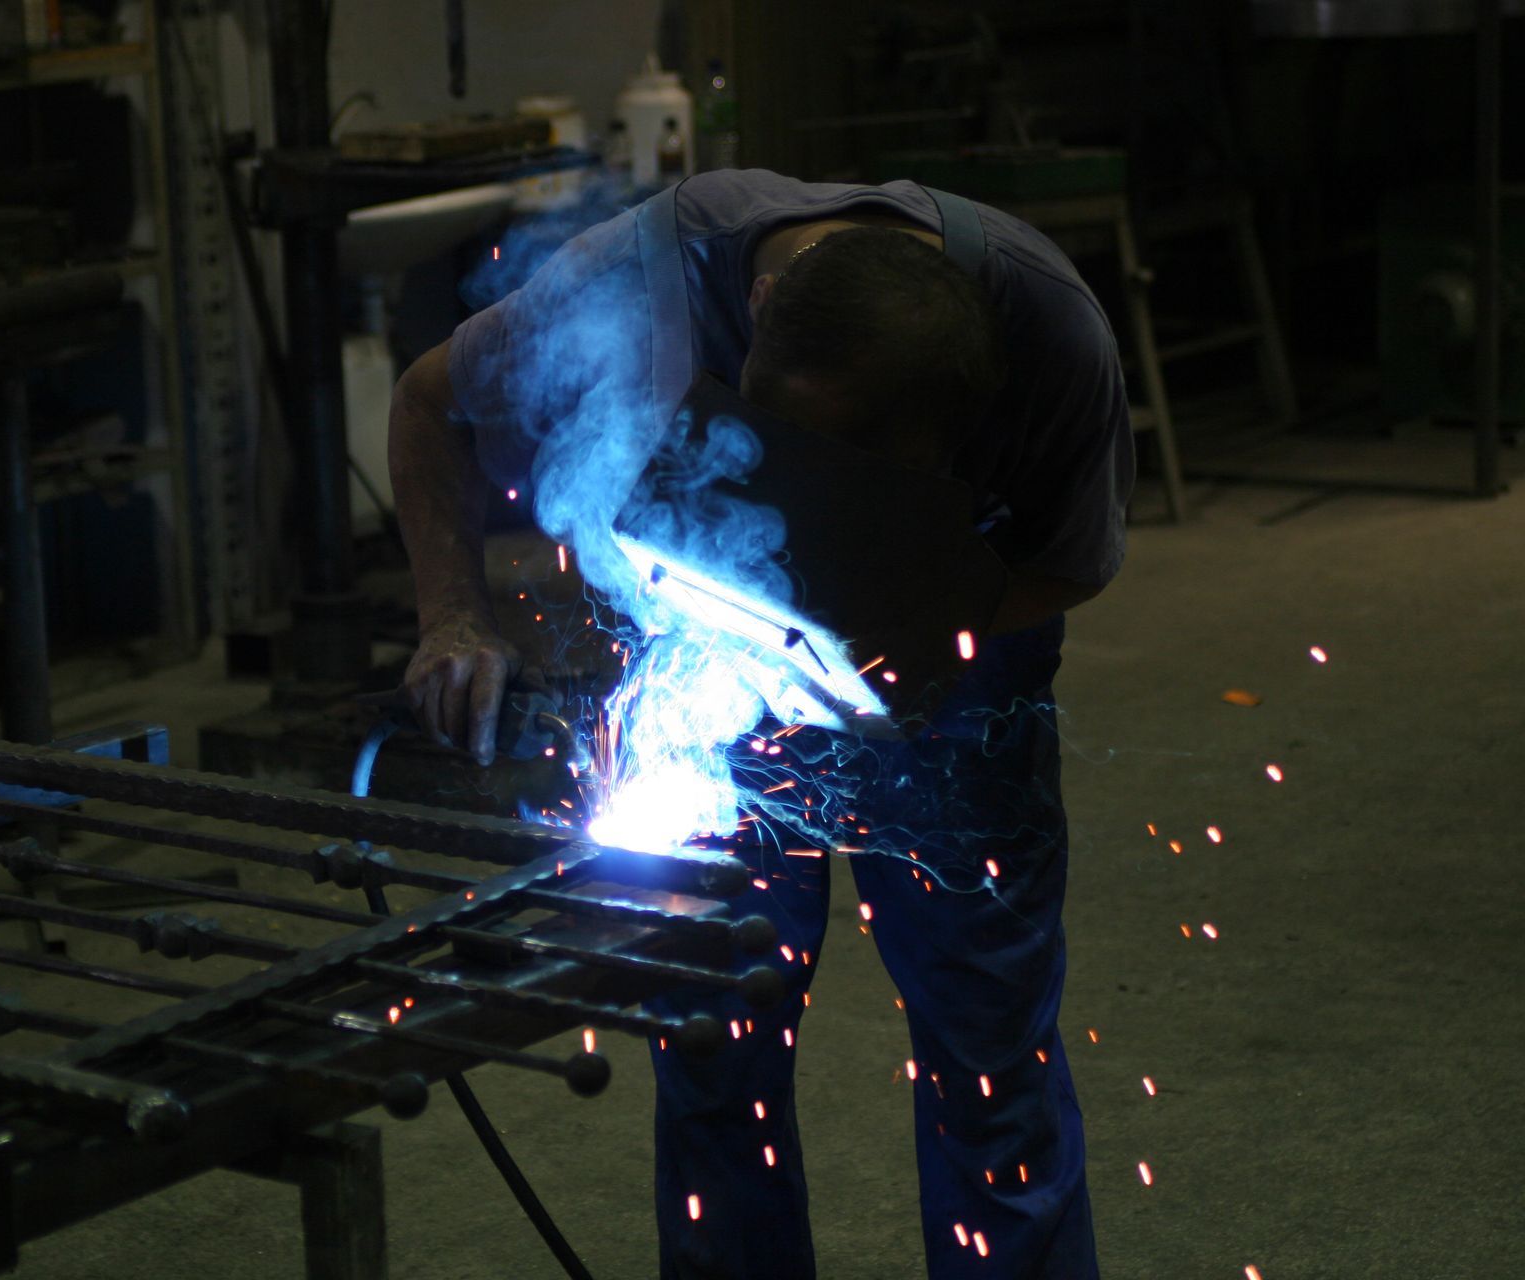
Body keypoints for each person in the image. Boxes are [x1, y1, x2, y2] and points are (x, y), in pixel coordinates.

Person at [388, 168, 1130, 1280]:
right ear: (759, 324)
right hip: (699, 628)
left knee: (989, 1052)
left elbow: (1068, 562)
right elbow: (426, 400)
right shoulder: (641, 289)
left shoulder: (1053, 336)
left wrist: (912, 645)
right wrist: (453, 615)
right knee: (714, 1024)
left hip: (956, 633)